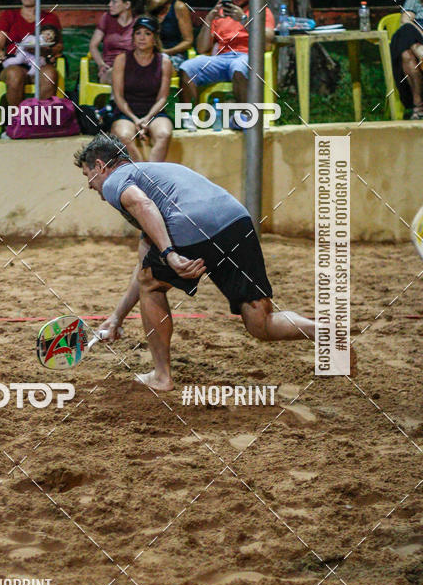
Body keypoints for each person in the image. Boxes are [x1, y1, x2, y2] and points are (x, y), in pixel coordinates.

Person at [75, 133, 318, 392]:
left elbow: (142, 204)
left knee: (152, 285)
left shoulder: (115, 180)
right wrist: (117, 318)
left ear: (100, 166)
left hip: (191, 224)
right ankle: (323, 332)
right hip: (237, 222)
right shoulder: (160, 174)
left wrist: (169, 253)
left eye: (88, 175)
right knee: (260, 323)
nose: (90, 185)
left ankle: (161, 377)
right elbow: (144, 266)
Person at [179, 0, 275, 104]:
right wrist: (209, 19)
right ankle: (189, 114)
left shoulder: (261, 11)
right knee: (187, 68)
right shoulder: (221, 14)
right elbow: (201, 49)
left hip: (247, 57)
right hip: (221, 59)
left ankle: (245, 114)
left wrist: (243, 19)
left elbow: (269, 38)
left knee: (238, 66)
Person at [0, 0, 63, 104]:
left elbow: (59, 46)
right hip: (14, 63)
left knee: (49, 75)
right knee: (15, 74)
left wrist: (48, 51)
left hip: (40, 63)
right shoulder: (9, 15)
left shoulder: (50, 18)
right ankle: (18, 116)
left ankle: (40, 116)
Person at [111, 15, 173, 162]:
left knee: (164, 134)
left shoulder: (164, 62)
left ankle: (152, 172)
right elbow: (118, 96)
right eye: (138, 33)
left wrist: (147, 118)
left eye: (147, 33)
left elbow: (162, 98)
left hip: (154, 112)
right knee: (124, 135)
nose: (142, 37)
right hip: (126, 112)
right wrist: (135, 119)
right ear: (133, 37)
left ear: (155, 38)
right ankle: (141, 172)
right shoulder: (121, 59)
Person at [89, 0, 141, 85]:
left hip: (133, 67)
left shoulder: (138, 22)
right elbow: (93, 45)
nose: (109, 5)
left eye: (114, 1)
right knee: (116, 75)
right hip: (110, 68)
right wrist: (101, 64)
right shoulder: (106, 18)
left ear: (127, 5)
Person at [145, 0, 193, 70]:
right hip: (150, 55)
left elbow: (188, 41)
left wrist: (166, 52)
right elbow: (156, 1)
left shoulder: (179, 7)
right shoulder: (149, 3)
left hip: (174, 55)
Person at [389, 0, 423, 118]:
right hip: (416, 42)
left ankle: (418, 106)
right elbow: (405, 20)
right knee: (406, 30)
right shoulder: (414, 1)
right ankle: (419, 51)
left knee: (405, 52)